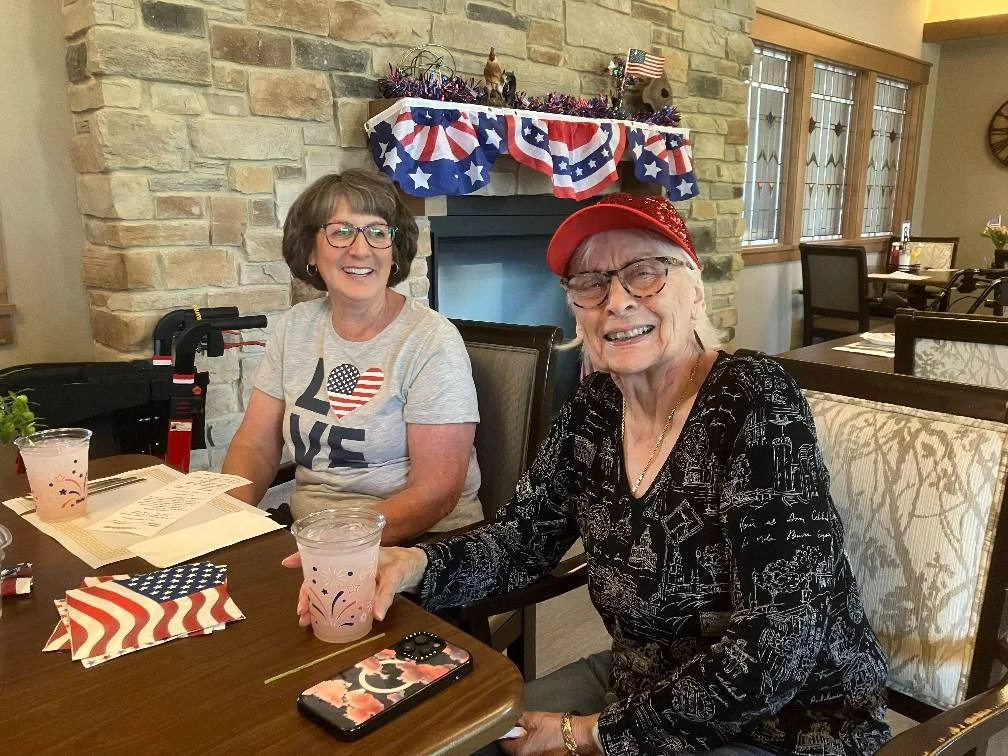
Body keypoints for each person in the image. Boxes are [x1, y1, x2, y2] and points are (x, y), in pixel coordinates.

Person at [286, 193, 891, 754]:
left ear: (695, 289)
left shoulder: (752, 397)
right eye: (591, 282)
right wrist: (412, 563)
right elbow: (522, 540)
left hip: (791, 723)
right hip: (640, 684)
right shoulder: (594, 408)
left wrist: (588, 735)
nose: (618, 300)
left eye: (645, 272)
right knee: (453, 740)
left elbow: (782, 640)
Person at [223, 169, 482, 543]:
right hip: (310, 533)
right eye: (341, 231)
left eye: (377, 232)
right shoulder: (295, 328)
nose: (360, 249)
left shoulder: (431, 341)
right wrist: (228, 519)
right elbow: (256, 445)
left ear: (394, 252)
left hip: (419, 543)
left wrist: (335, 544)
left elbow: (436, 492)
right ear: (311, 250)